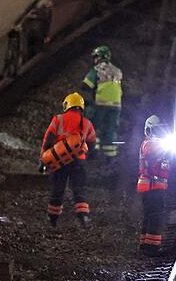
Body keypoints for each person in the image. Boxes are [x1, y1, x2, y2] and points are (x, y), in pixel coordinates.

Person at [41, 92, 97, 227]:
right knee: (79, 189)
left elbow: (48, 140)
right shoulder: (87, 123)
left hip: (59, 161)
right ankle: (83, 218)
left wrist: (42, 159)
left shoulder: (58, 120)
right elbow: (92, 143)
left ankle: (52, 220)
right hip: (78, 161)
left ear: (67, 105)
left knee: (57, 189)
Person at [82, 45, 123, 161]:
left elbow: (85, 85)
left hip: (101, 104)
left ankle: (92, 151)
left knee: (92, 127)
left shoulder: (98, 69)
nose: (95, 60)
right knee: (110, 129)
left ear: (100, 57)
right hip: (116, 105)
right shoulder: (117, 71)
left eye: (96, 57)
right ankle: (110, 157)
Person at [136, 115, 170, 255]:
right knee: (155, 216)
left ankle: (145, 244)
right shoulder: (149, 143)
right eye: (157, 130)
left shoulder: (155, 143)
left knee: (149, 215)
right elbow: (153, 153)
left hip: (152, 185)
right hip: (152, 185)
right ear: (149, 129)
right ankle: (152, 248)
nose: (160, 133)